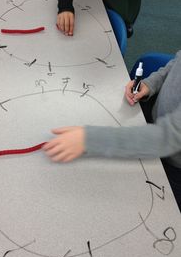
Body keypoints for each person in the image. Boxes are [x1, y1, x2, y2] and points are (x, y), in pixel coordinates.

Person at [43, 51, 181, 211]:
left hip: (172, 163)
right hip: (153, 120)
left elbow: (167, 138)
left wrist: (89, 139)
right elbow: (176, 63)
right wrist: (150, 84)